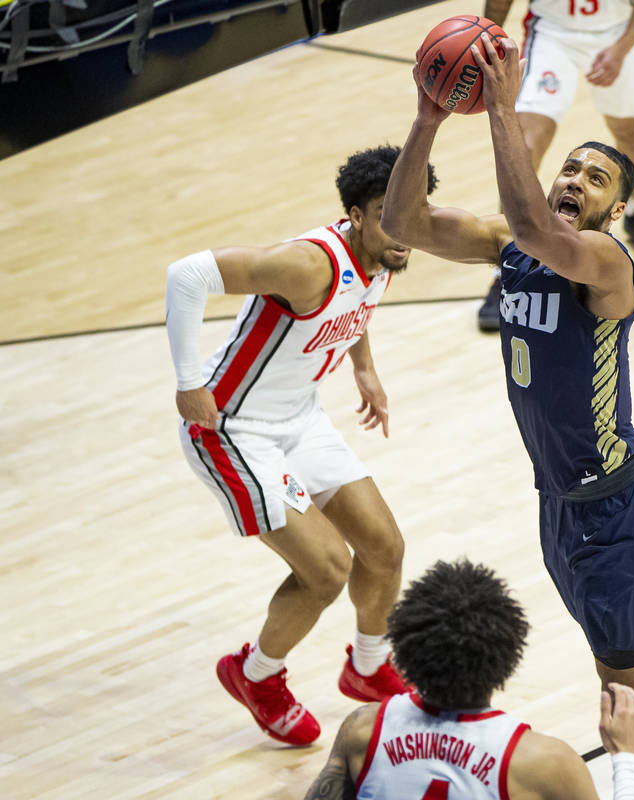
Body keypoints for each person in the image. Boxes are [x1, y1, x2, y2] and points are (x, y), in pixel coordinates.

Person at [381, 37, 634, 720]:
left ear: (616, 212)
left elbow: (536, 229)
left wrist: (500, 111)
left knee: (619, 687)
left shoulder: (606, 263)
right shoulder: (509, 246)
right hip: (559, 501)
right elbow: (402, 222)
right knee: (630, 667)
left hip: (614, 506)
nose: (574, 180)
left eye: (595, 180)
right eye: (570, 168)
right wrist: (428, 119)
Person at [164, 145, 438, 746]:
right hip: (231, 428)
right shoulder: (308, 265)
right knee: (327, 570)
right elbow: (186, 275)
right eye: (386, 215)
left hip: (299, 418)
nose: (403, 231)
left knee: (384, 548)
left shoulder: (388, 251)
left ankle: (367, 669)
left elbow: (358, 306)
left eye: (412, 212)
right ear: (355, 215)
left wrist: (363, 366)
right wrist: (188, 383)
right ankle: (255, 675)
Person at [304, 559, 634, 799]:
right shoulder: (544, 762)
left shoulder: (363, 729)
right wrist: (627, 756)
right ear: (507, 657)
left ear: (405, 649)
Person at [475, 0, 634, 332]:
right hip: (553, 33)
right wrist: (482, 46)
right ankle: (507, 266)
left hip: (616, 32)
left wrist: (622, 48)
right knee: (525, 145)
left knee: (628, 130)